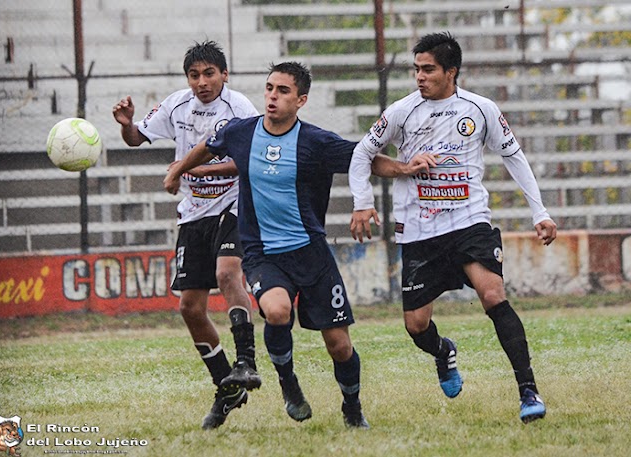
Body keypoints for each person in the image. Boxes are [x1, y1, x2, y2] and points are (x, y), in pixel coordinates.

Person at [163, 61, 426, 428]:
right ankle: (289, 385)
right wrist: (178, 168)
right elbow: (208, 146)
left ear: (301, 100)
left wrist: (403, 167)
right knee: (276, 310)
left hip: (311, 254)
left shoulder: (316, 142)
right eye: (270, 88)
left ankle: (352, 407)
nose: (272, 96)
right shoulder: (242, 132)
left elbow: (363, 158)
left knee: (339, 346)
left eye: (283, 91)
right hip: (262, 253)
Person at [349, 32, 557, 424]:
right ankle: (443, 351)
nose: (420, 77)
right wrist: (363, 203)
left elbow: (515, 158)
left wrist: (539, 212)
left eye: (428, 69)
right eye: (416, 69)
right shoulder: (402, 112)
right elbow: (362, 153)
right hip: (420, 229)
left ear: (451, 71)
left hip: (468, 220)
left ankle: (528, 390)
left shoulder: (480, 109)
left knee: (493, 295)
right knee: (416, 325)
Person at [112, 40, 262, 430]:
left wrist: (189, 170)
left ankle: (246, 361)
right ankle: (227, 385)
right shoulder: (177, 105)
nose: (201, 82)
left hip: (233, 207)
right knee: (189, 308)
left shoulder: (240, 109)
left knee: (228, 274)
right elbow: (135, 139)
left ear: (224, 75)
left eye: (209, 73)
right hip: (192, 216)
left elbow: (248, 161)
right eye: (194, 75)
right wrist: (127, 124)